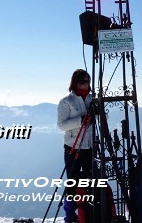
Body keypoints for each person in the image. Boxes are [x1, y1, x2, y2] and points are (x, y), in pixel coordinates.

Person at [57, 69, 94, 222]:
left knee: (91, 181)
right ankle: (70, 216)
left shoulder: (92, 100)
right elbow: (61, 125)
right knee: (72, 182)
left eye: (88, 81)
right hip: (73, 147)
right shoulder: (66, 101)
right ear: (75, 82)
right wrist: (81, 120)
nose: (86, 85)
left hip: (90, 146)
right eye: (83, 82)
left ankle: (88, 214)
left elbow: (103, 118)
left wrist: (97, 114)